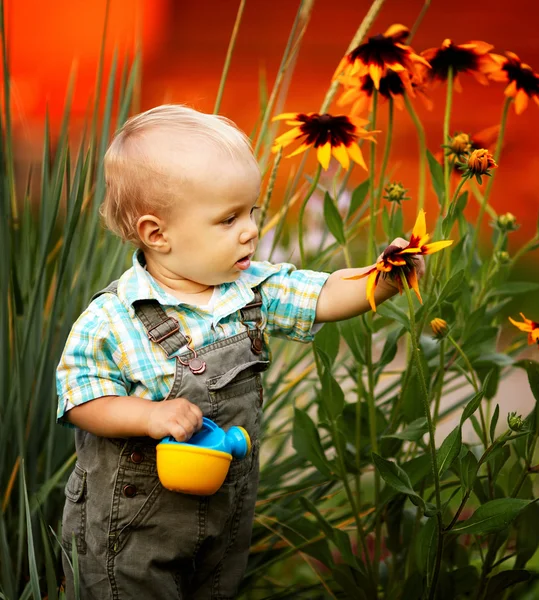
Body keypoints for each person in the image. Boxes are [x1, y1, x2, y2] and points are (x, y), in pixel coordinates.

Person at [55, 104, 424, 599]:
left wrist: (382, 280)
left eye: (250, 211)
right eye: (228, 219)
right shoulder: (112, 320)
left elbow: (324, 295)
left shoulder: (252, 289)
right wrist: (148, 415)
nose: (250, 229)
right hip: (130, 532)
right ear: (156, 234)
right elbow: (81, 399)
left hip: (222, 518)